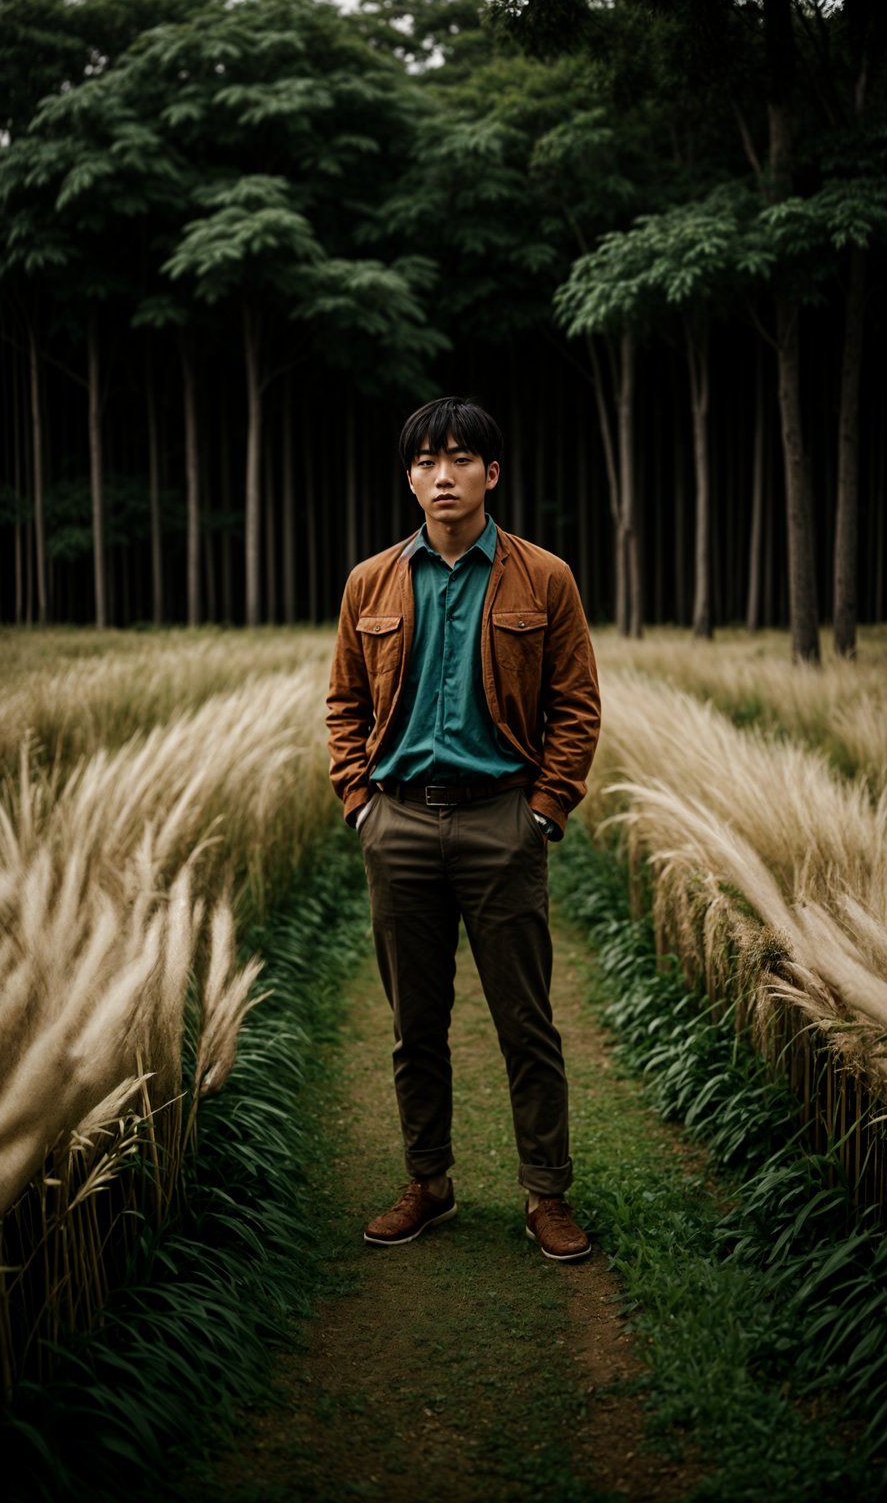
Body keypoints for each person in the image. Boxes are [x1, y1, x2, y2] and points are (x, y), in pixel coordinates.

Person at [326, 396, 601, 1262]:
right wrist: (360, 802)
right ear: (409, 477)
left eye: (460, 459)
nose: (442, 475)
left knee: (526, 1023)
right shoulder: (370, 582)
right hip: (398, 823)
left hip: (501, 826)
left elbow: (576, 706)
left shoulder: (543, 577)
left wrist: (546, 812)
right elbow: (343, 703)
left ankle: (546, 1195)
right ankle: (428, 1183)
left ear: (492, 471)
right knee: (416, 1024)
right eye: (425, 461)